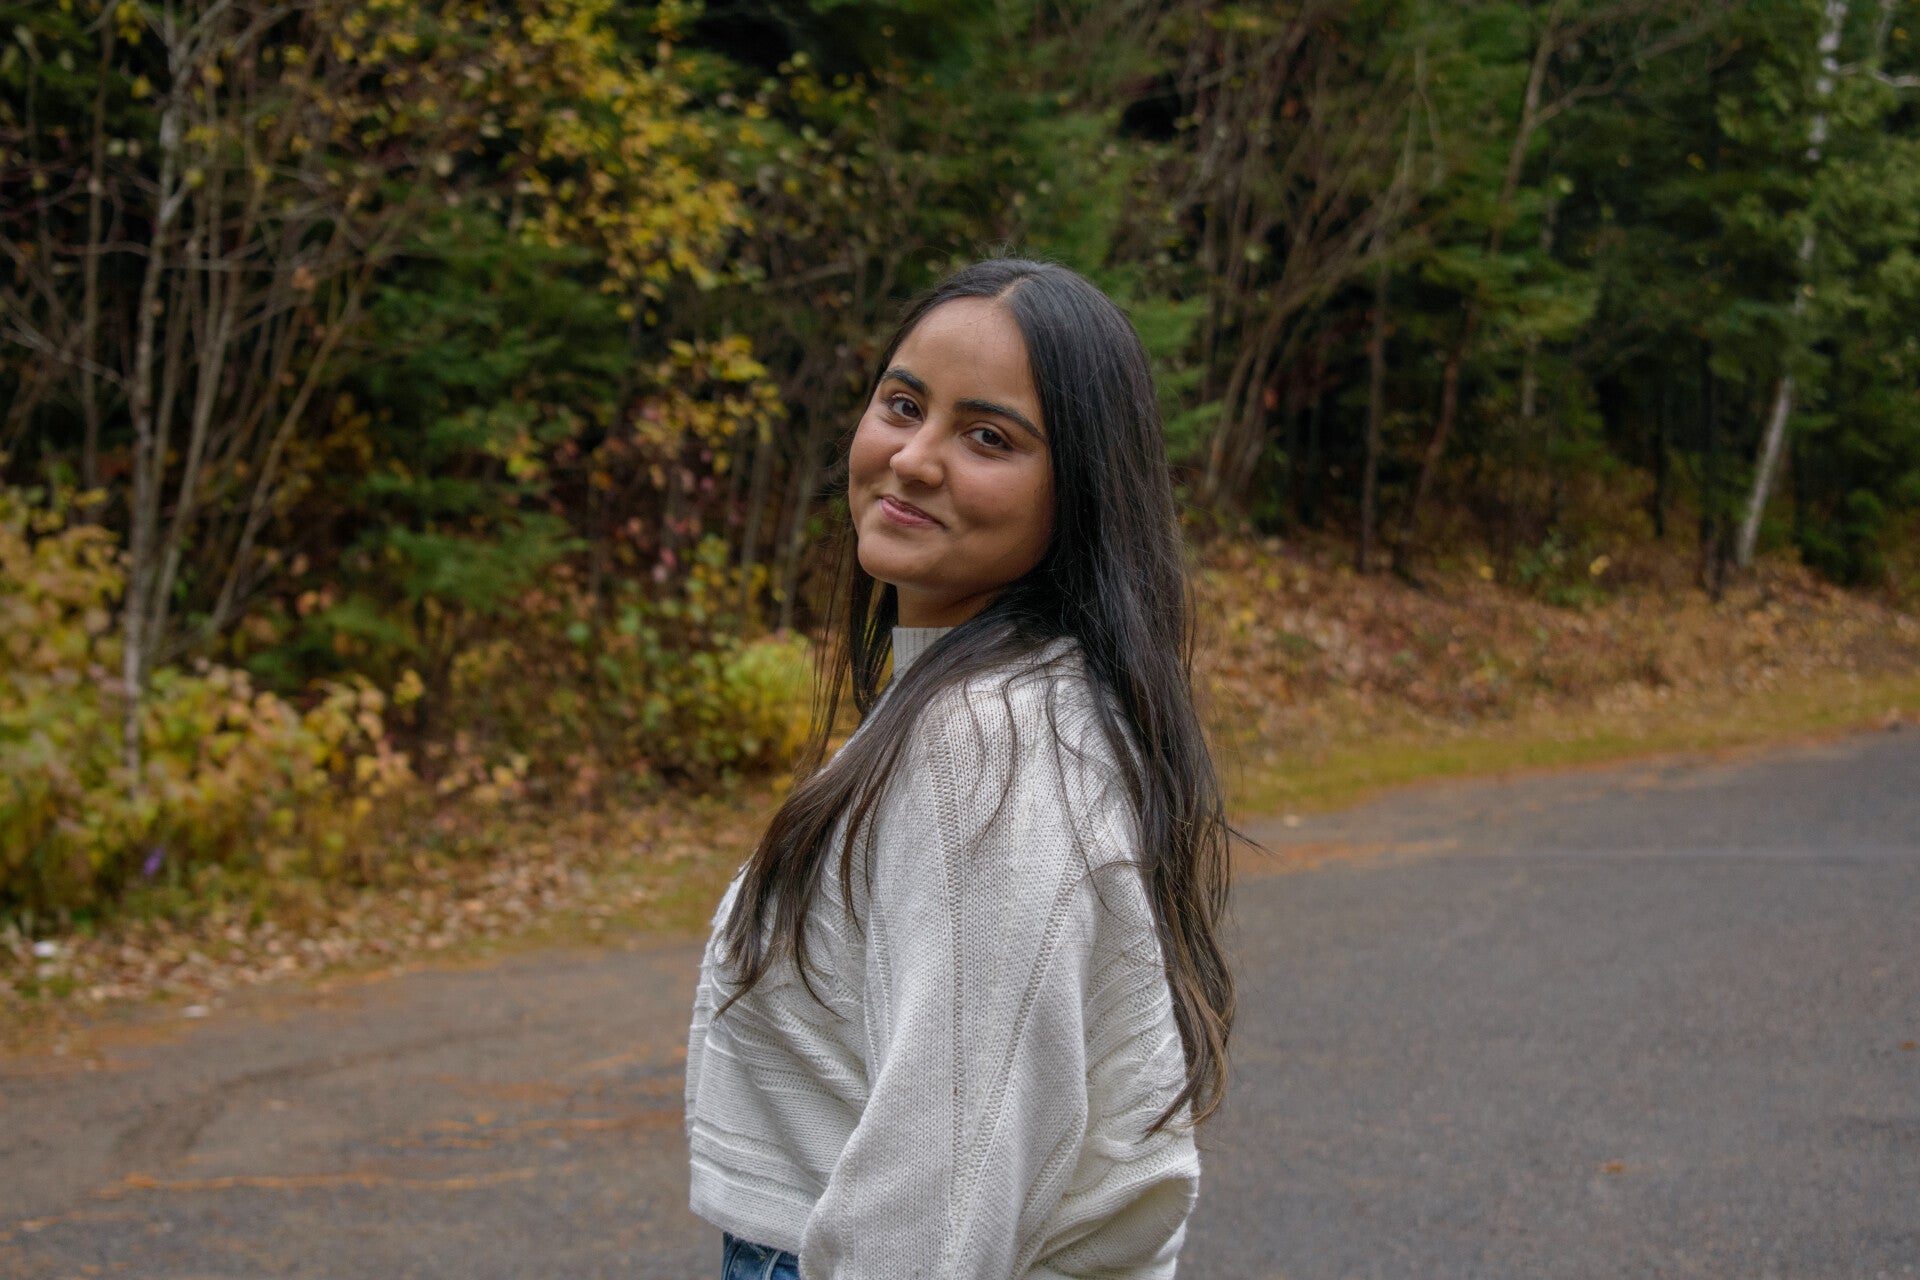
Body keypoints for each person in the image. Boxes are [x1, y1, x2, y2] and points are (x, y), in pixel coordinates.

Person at [684, 258, 1234, 1279]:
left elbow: (944, 1188)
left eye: (989, 437)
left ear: (1081, 491)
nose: (914, 458)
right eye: (903, 405)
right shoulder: (987, 701)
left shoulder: (990, 745)